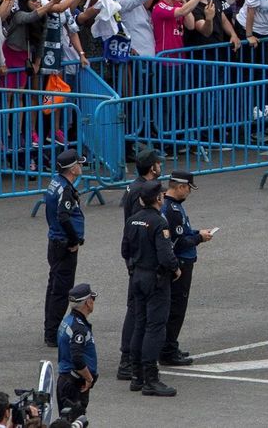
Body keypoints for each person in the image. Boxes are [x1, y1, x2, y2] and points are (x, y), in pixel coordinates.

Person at [124, 178, 179, 397]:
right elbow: (166, 255)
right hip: (155, 279)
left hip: (137, 275)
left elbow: (124, 250)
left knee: (139, 324)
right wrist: (175, 269)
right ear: (158, 198)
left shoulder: (133, 220)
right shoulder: (159, 222)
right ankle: (150, 378)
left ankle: (136, 375)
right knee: (155, 327)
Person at [116, 148, 163, 381]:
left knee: (138, 310)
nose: (160, 166)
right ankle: (127, 360)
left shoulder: (134, 188)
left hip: (135, 258)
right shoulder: (139, 192)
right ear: (152, 167)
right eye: (157, 163)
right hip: (140, 261)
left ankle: (133, 359)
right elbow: (138, 227)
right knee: (136, 311)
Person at [161, 169, 214, 366]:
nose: (189, 193)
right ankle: (168, 349)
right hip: (181, 262)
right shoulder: (172, 210)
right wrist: (200, 238)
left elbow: (182, 232)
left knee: (175, 306)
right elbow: (180, 242)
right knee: (176, 307)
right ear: (181, 187)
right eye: (188, 189)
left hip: (181, 261)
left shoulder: (173, 207)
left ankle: (170, 346)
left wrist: (196, 232)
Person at [42, 148, 87, 347]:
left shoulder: (55, 183)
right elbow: (63, 216)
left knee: (53, 287)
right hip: (63, 244)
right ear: (72, 168)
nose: (81, 166)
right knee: (61, 290)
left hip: (55, 241)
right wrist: (73, 239)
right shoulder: (66, 189)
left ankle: (49, 328)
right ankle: (52, 334)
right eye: (79, 163)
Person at [55, 284, 99, 420]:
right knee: (75, 422)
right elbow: (77, 359)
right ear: (88, 302)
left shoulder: (68, 321)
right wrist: (89, 378)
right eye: (92, 299)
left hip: (65, 381)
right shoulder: (79, 328)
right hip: (74, 385)